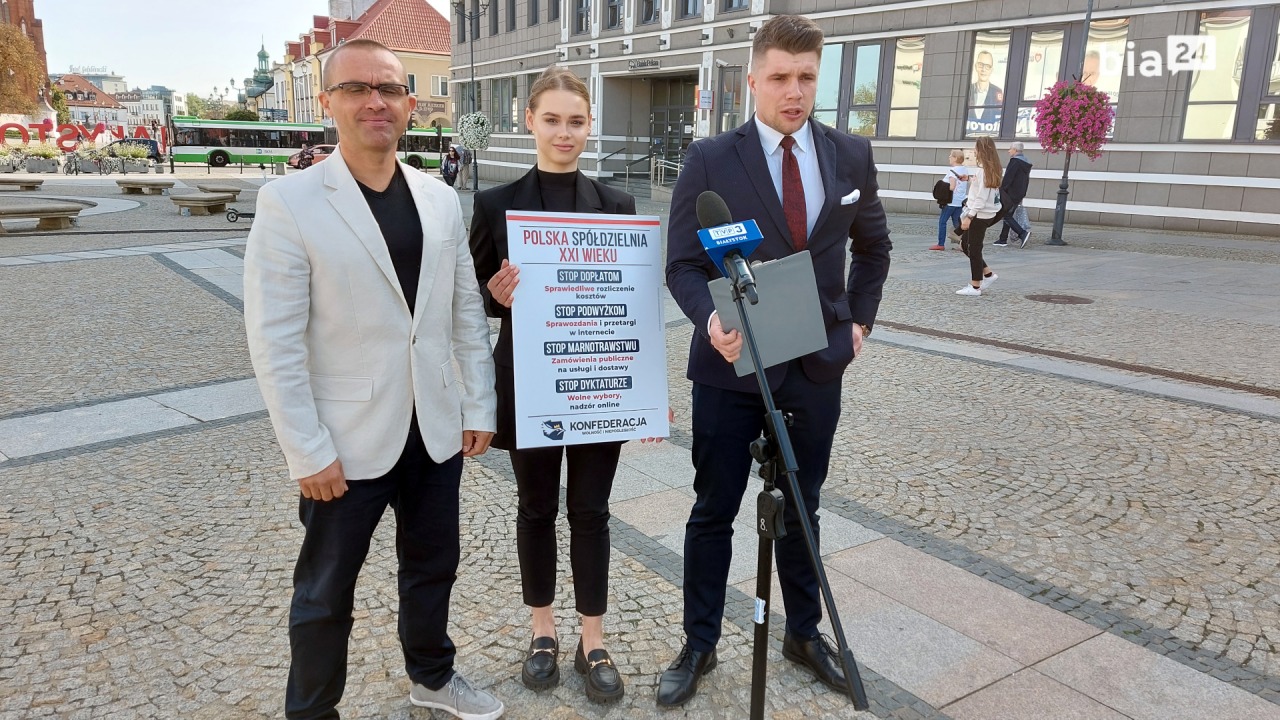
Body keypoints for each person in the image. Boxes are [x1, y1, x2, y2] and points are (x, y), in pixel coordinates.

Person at [243, 38, 504, 720]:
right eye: (357, 88)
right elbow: (274, 341)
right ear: (328, 102)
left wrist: (479, 402)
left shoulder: (438, 199)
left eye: (388, 89)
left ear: (411, 105)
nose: (374, 101)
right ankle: (312, 710)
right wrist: (307, 448)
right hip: (344, 440)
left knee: (433, 569)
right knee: (326, 591)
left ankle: (432, 676)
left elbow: (464, 313)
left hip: (434, 429)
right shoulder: (290, 202)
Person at [660, 15, 892, 707]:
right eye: (781, 78)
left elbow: (875, 249)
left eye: (807, 78)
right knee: (713, 507)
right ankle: (699, 643)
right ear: (753, 79)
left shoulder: (850, 154)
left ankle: (803, 632)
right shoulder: (709, 159)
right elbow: (681, 263)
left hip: (817, 364)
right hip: (732, 367)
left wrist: (860, 322)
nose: (794, 92)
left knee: (803, 504)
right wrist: (708, 317)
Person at [468, 65, 637, 706]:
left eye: (575, 121)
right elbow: (475, 300)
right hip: (531, 384)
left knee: (591, 512)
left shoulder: (617, 207)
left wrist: (640, 392)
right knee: (536, 509)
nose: (564, 132)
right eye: (552, 119)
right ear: (529, 121)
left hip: (596, 383)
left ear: (589, 126)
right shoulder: (495, 205)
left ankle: (593, 640)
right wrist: (495, 293)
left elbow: (626, 303)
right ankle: (543, 631)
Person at [956, 137, 1003, 296]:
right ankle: (988, 275)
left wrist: (969, 216)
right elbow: (985, 190)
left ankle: (975, 286)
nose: (974, 151)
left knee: (974, 248)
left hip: (980, 214)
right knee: (965, 245)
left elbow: (981, 197)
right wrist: (969, 179)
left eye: (975, 148)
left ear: (981, 150)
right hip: (986, 213)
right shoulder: (990, 169)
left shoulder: (984, 170)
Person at [994, 141, 1033, 248]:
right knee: (1008, 214)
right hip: (1019, 193)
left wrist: (1002, 190)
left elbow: (1008, 178)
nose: (1008, 151)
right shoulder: (1025, 163)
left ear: (1015, 150)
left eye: (1010, 149)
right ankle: (1002, 239)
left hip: (1011, 193)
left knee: (1006, 215)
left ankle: (1022, 233)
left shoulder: (1015, 162)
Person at [932, 149, 968, 251]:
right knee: (958, 223)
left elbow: (952, 187)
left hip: (950, 201)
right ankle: (964, 243)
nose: (949, 158)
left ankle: (940, 244)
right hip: (960, 201)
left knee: (942, 222)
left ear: (955, 158)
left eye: (950, 156)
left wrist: (941, 187)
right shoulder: (964, 170)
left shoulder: (953, 171)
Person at [967, 50, 1004, 135]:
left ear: (991, 70)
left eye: (987, 66)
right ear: (976, 66)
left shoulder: (997, 92)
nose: (983, 69)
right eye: (981, 65)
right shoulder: (969, 90)